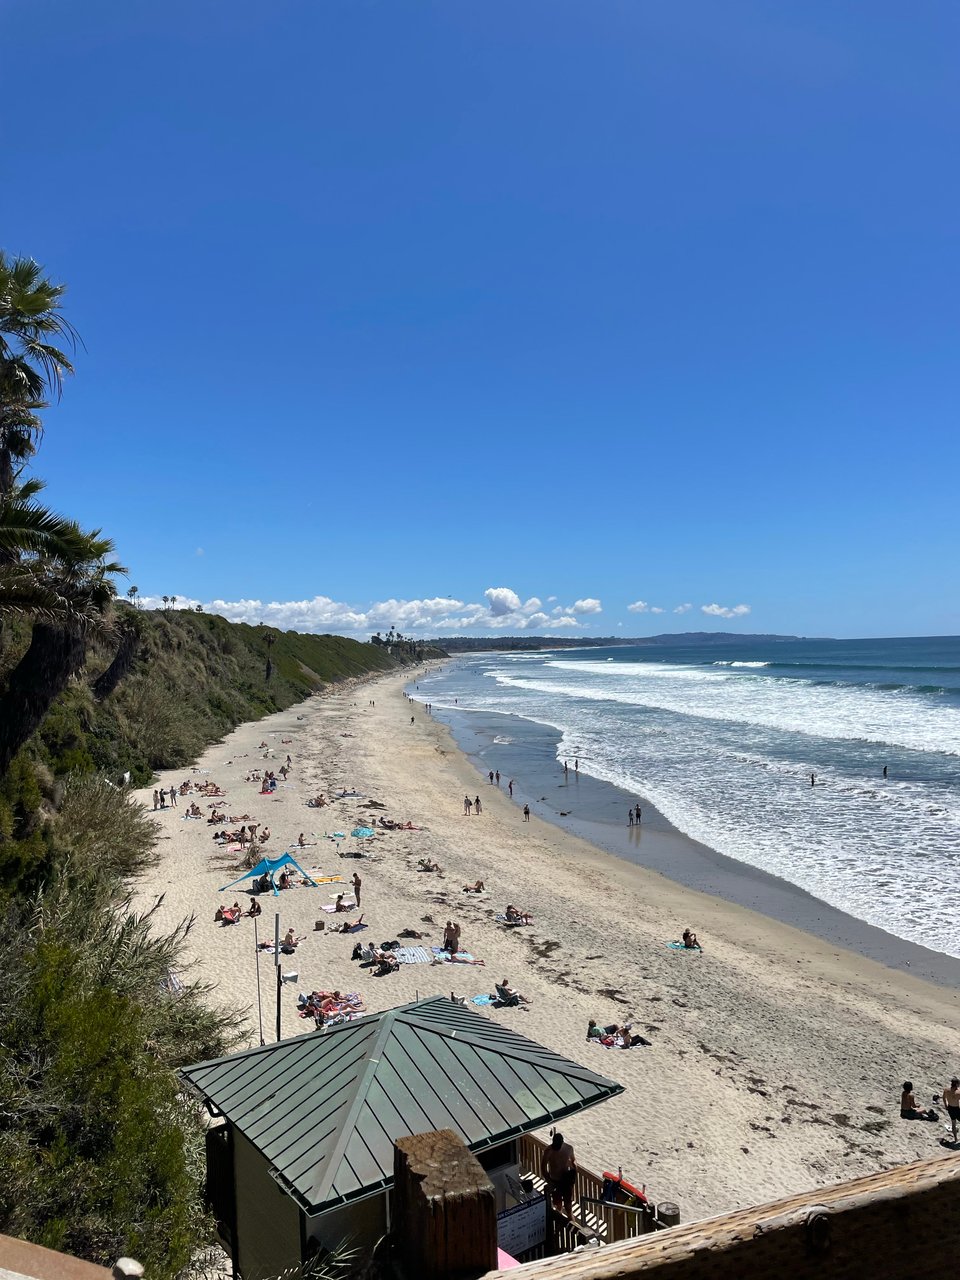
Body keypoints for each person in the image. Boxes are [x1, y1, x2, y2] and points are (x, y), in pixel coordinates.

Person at [542, 1133, 576, 1217]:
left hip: (566, 1181)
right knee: (558, 1206)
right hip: (555, 1180)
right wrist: (549, 1181)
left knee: (568, 1207)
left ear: (562, 1143)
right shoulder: (548, 1151)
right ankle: (559, 1225)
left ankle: (572, 1224)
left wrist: (574, 1173)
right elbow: (543, 1168)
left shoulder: (568, 1148)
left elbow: (574, 1160)